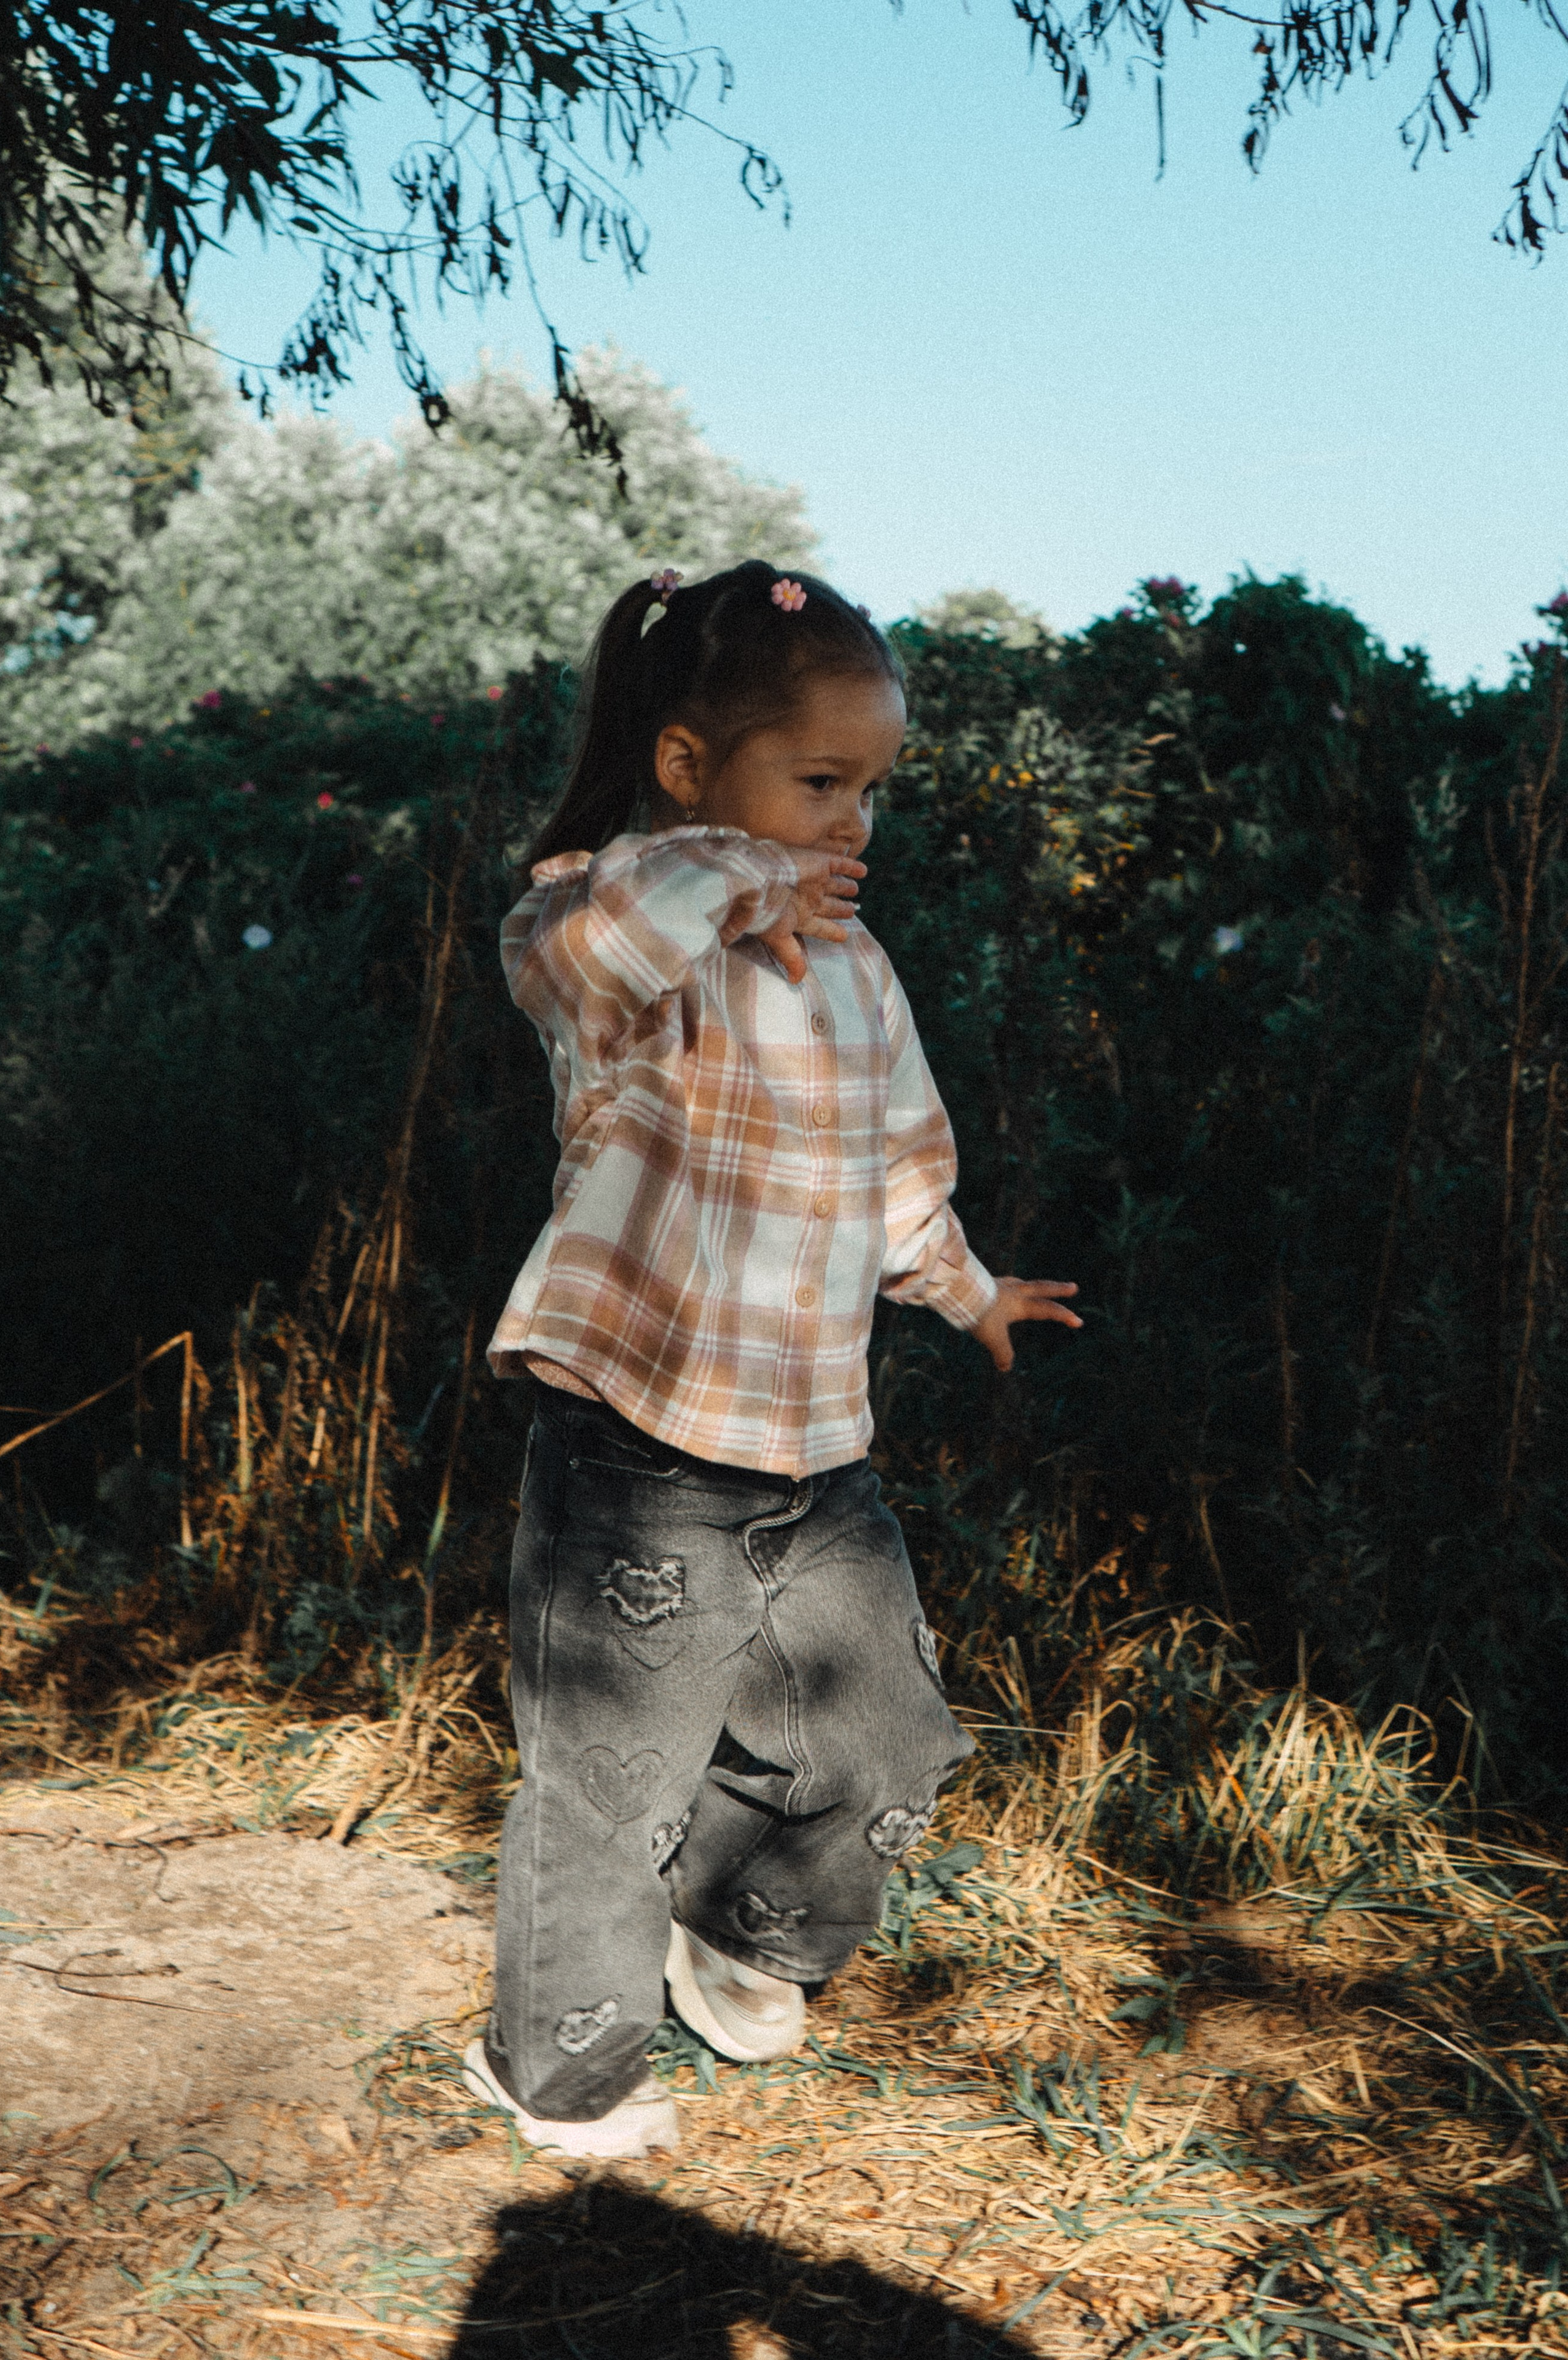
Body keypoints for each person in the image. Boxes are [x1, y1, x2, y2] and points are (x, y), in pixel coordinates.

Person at [463, 560, 1081, 2157]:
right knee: (615, 1775)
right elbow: (564, 951)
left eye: (869, 792)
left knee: (890, 1736)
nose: (852, 825)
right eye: (819, 784)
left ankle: (739, 1932)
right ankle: (559, 2071)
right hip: (639, 1450)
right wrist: (742, 879)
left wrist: (973, 1291)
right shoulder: (624, 931)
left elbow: (896, 1183)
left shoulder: (862, 977)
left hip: (818, 1452)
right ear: (689, 767)